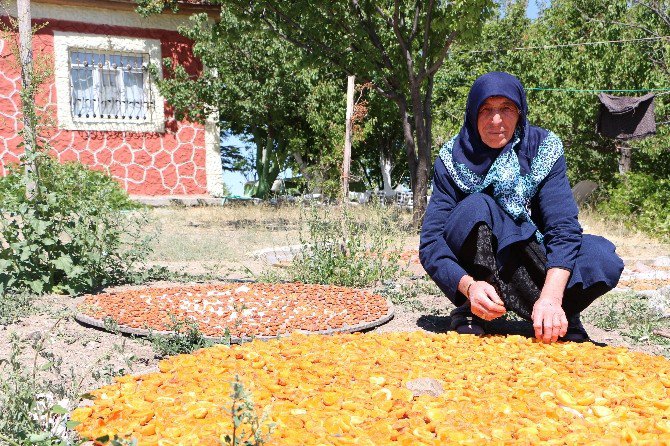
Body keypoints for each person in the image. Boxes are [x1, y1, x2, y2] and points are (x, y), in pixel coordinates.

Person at [419, 71, 624, 343]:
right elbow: (431, 241)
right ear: (471, 113)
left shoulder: (543, 150)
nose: (496, 120)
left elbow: (562, 227)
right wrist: (469, 286)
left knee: (601, 258)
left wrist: (551, 297)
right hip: (486, 268)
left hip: (535, 256)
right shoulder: (451, 161)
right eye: (486, 109)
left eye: (506, 109)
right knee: (476, 206)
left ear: (520, 112)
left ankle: (560, 312)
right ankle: (476, 308)